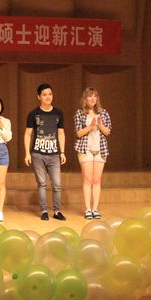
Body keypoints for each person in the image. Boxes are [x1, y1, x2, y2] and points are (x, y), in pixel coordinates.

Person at [24, 83, 67, 221]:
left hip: (54, 154)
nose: (48, 97)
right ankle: (44, 211)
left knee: (57, 184)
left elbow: (61, 133)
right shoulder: (33, 114)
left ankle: (57, 211)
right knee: (42, 183)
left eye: (50, 94)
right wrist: (27, 153)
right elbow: (27, 134)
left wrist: (62, 152)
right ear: (39, 97)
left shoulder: (58, 113)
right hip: (38, 153)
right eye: (44, 95)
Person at [73, 88, 112, 220]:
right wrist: (90, 126)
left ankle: (95, 208)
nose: (92, 99)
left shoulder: (103, 113)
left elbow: (107, 132)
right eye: (90, 96)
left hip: (100, 149)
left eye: (95, 96)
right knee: (87, 179)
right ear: (85, 99)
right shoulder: (80, 113)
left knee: (97, 180)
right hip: (85, 149)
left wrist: (99, 125)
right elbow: (78, 133)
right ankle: (88, 209)